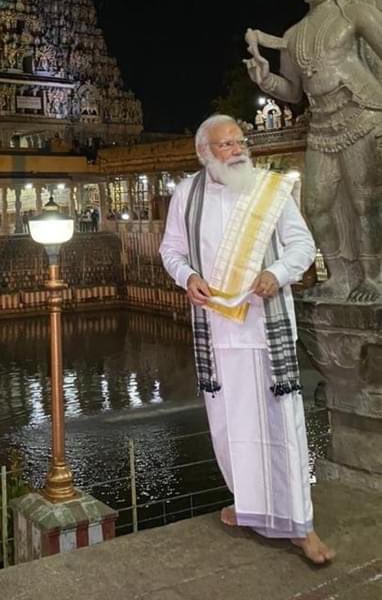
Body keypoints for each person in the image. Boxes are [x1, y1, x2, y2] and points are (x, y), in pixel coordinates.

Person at [159, 114, 334, 564]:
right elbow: (170, 249)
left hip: (265, 326)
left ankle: (301, 526)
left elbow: (301, 244)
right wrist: (188, 276)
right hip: (218, 333)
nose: (237, 149)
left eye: (240, 141)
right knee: (229, 428)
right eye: (226, 144)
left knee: (284, 428)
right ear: (204, 153)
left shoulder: (270, 190)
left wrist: (277, 274)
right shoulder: (186, 194)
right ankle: (250, 507)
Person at [245, 0, 382, 302]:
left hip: (361, 113)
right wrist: (265, 78)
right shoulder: (294, 34)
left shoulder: (354, 14)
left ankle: (374, 277)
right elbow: (293, 92)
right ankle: (340, 274)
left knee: (364, 200)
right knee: (316, 205)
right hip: (321, 124)